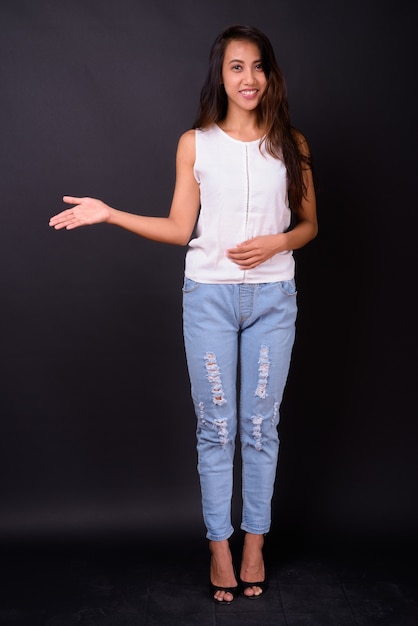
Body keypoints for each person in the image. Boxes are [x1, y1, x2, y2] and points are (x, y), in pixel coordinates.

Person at [49, 24, 317, 603]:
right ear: (220, 77)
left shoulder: (292, 143)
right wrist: (111, 213)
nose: (248, 78)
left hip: (273, 299)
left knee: (260, 427)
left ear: (270, 74)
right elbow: (179, 228)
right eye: (236, 67)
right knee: (217, 428)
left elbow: (309, 226)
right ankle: (219, 546)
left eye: (257, 66)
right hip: (210, 299)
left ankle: (254, 542)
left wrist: (277, 243)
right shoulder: (195, 143)